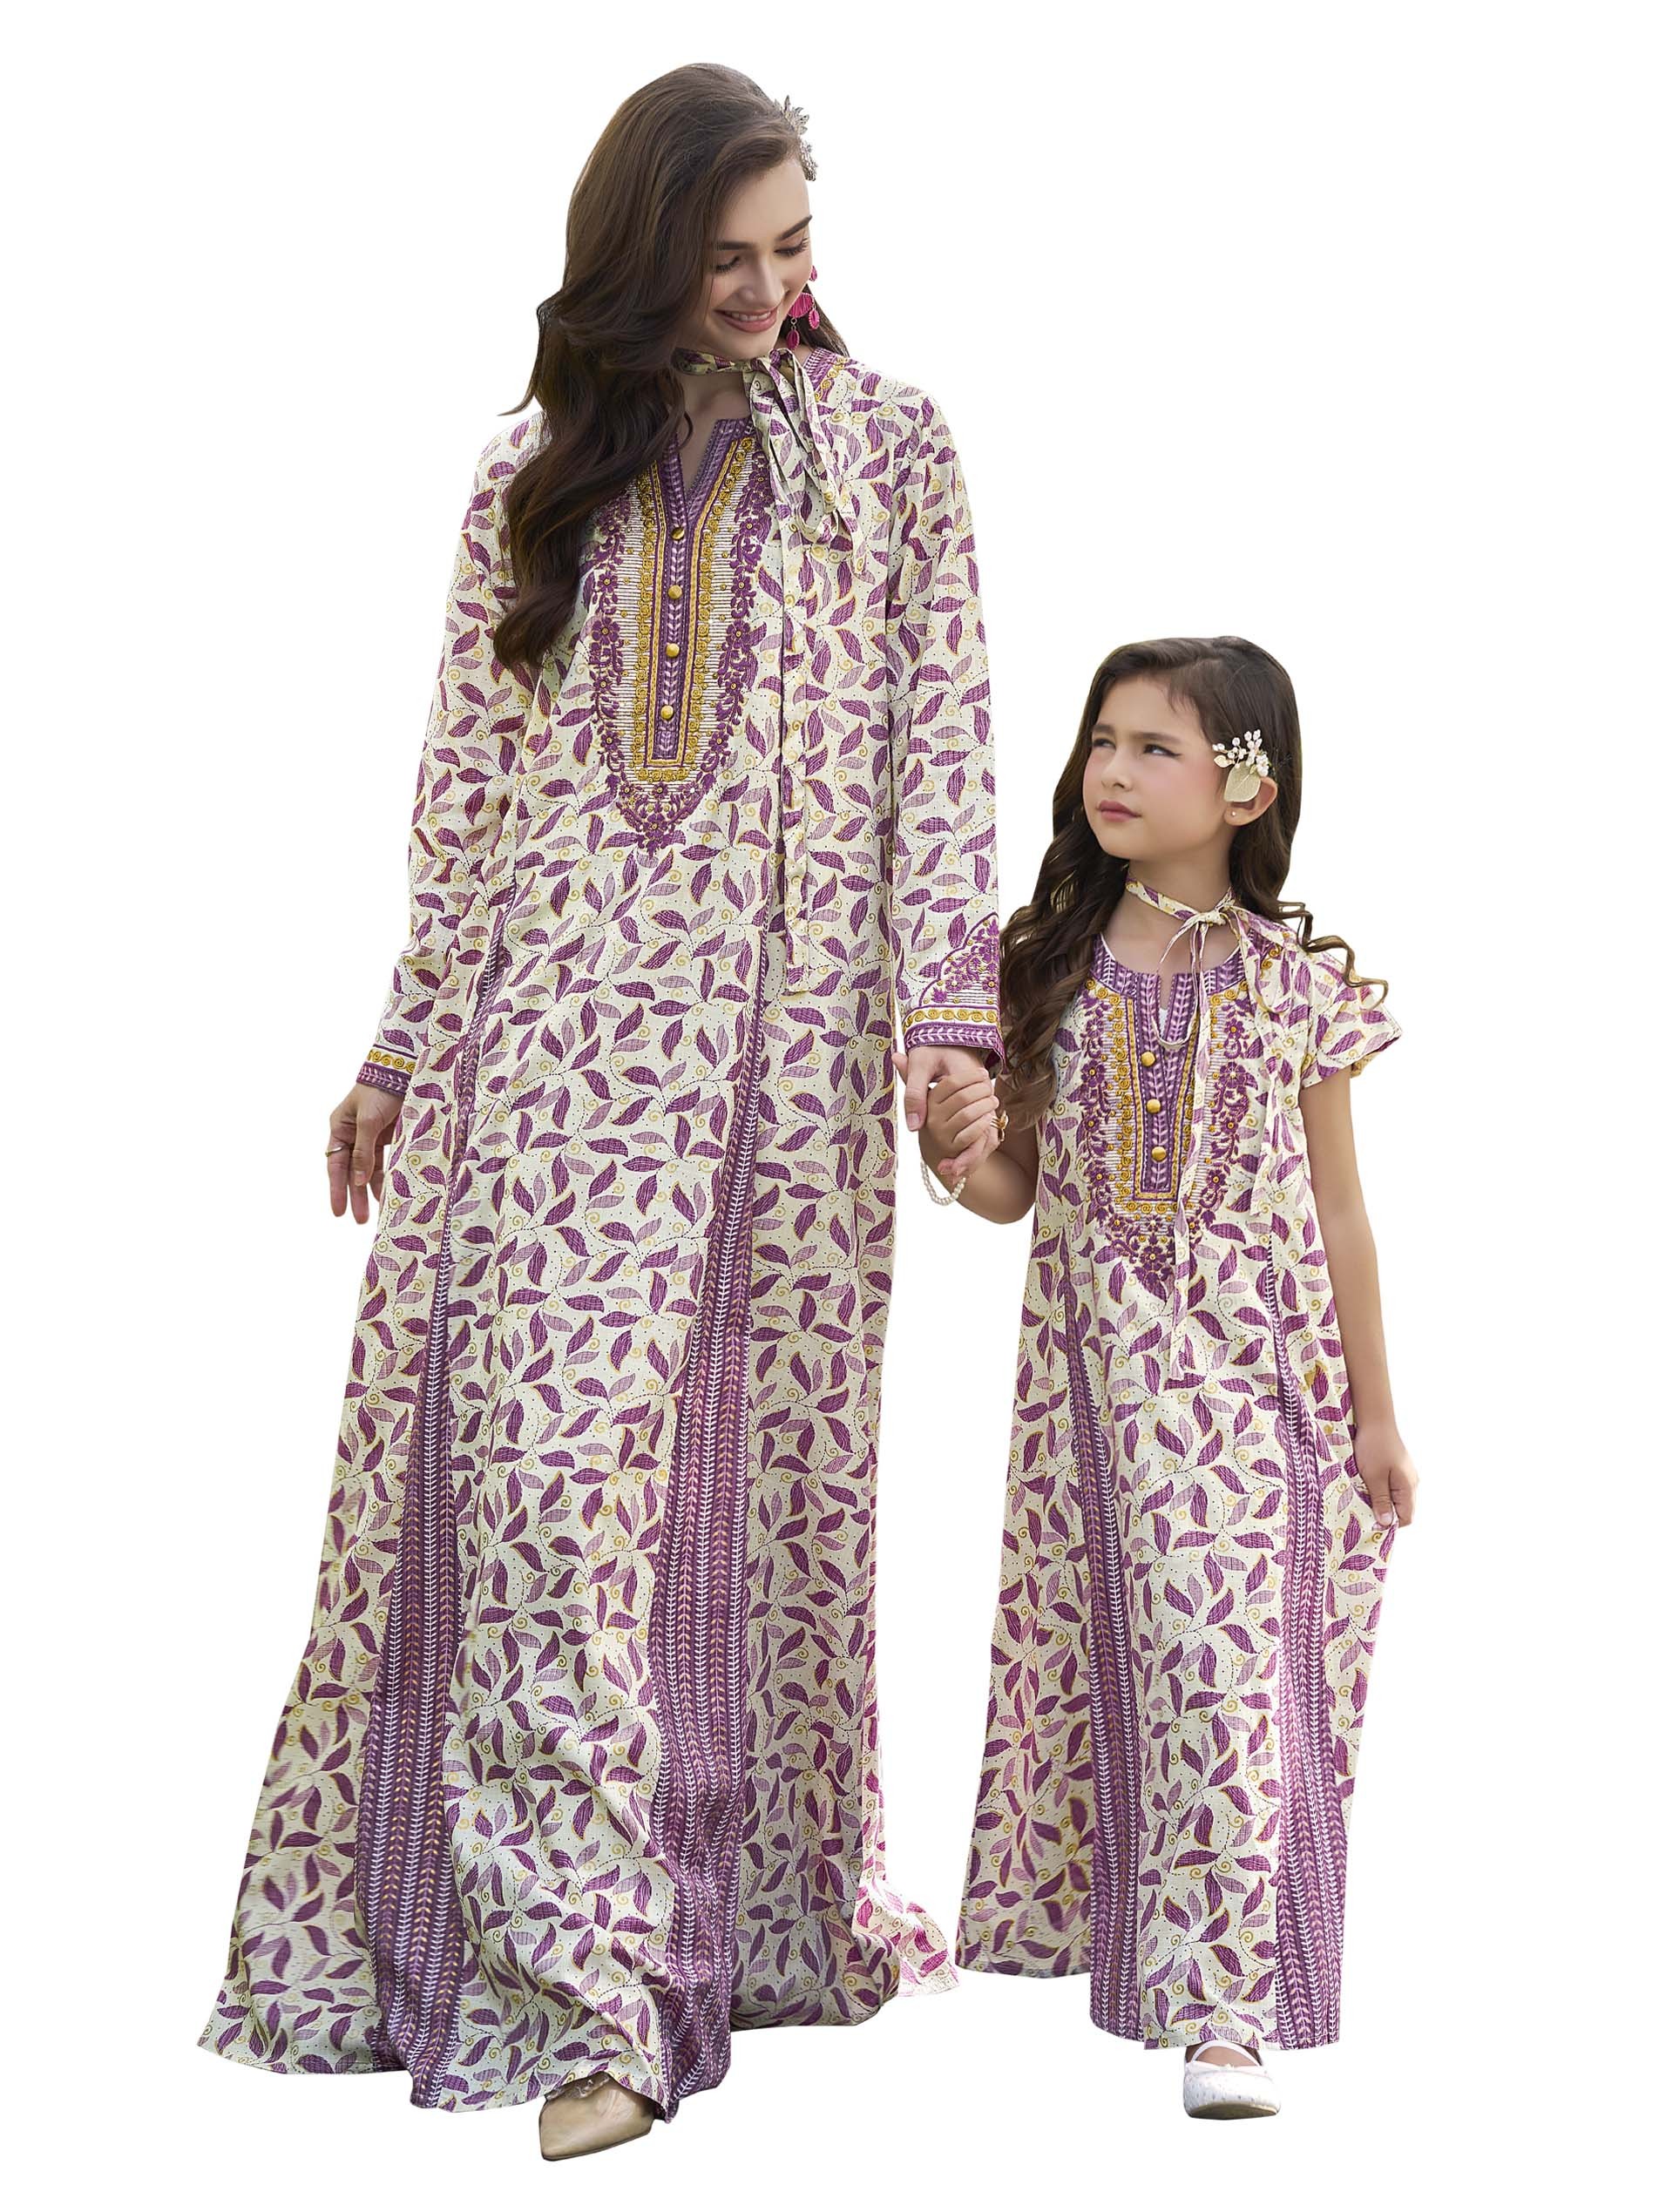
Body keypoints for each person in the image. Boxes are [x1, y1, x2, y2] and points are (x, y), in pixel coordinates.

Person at [199, 64, 1004, 2161]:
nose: (765, 289)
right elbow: (464, 797)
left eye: (793, 248)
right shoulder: (529, 475)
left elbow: (947, 750)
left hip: (790, 1078)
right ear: (639, 254)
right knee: (548, 1503)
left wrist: (951, 1030)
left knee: (752, 1498)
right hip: (552, 1068)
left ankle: (724, 1927)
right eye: (724, 257)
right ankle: (586, 1999)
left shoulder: (892, 451)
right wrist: (401, 1048)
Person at [910, 635, 1415, 2120]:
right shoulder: (1040, 966)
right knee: (1153, 1680)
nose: (1113, 772)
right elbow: (1013, 1190)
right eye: (1102, 741)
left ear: (1247, 789)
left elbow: (1342, 1216)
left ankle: (1228, 2019)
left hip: (1266, 1398)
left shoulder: (1297, 989)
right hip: (1101, 1405)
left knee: (1229, 1676)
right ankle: (1178, 1984)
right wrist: (952, 1143)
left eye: (1155, 748)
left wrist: (1380, 1416)